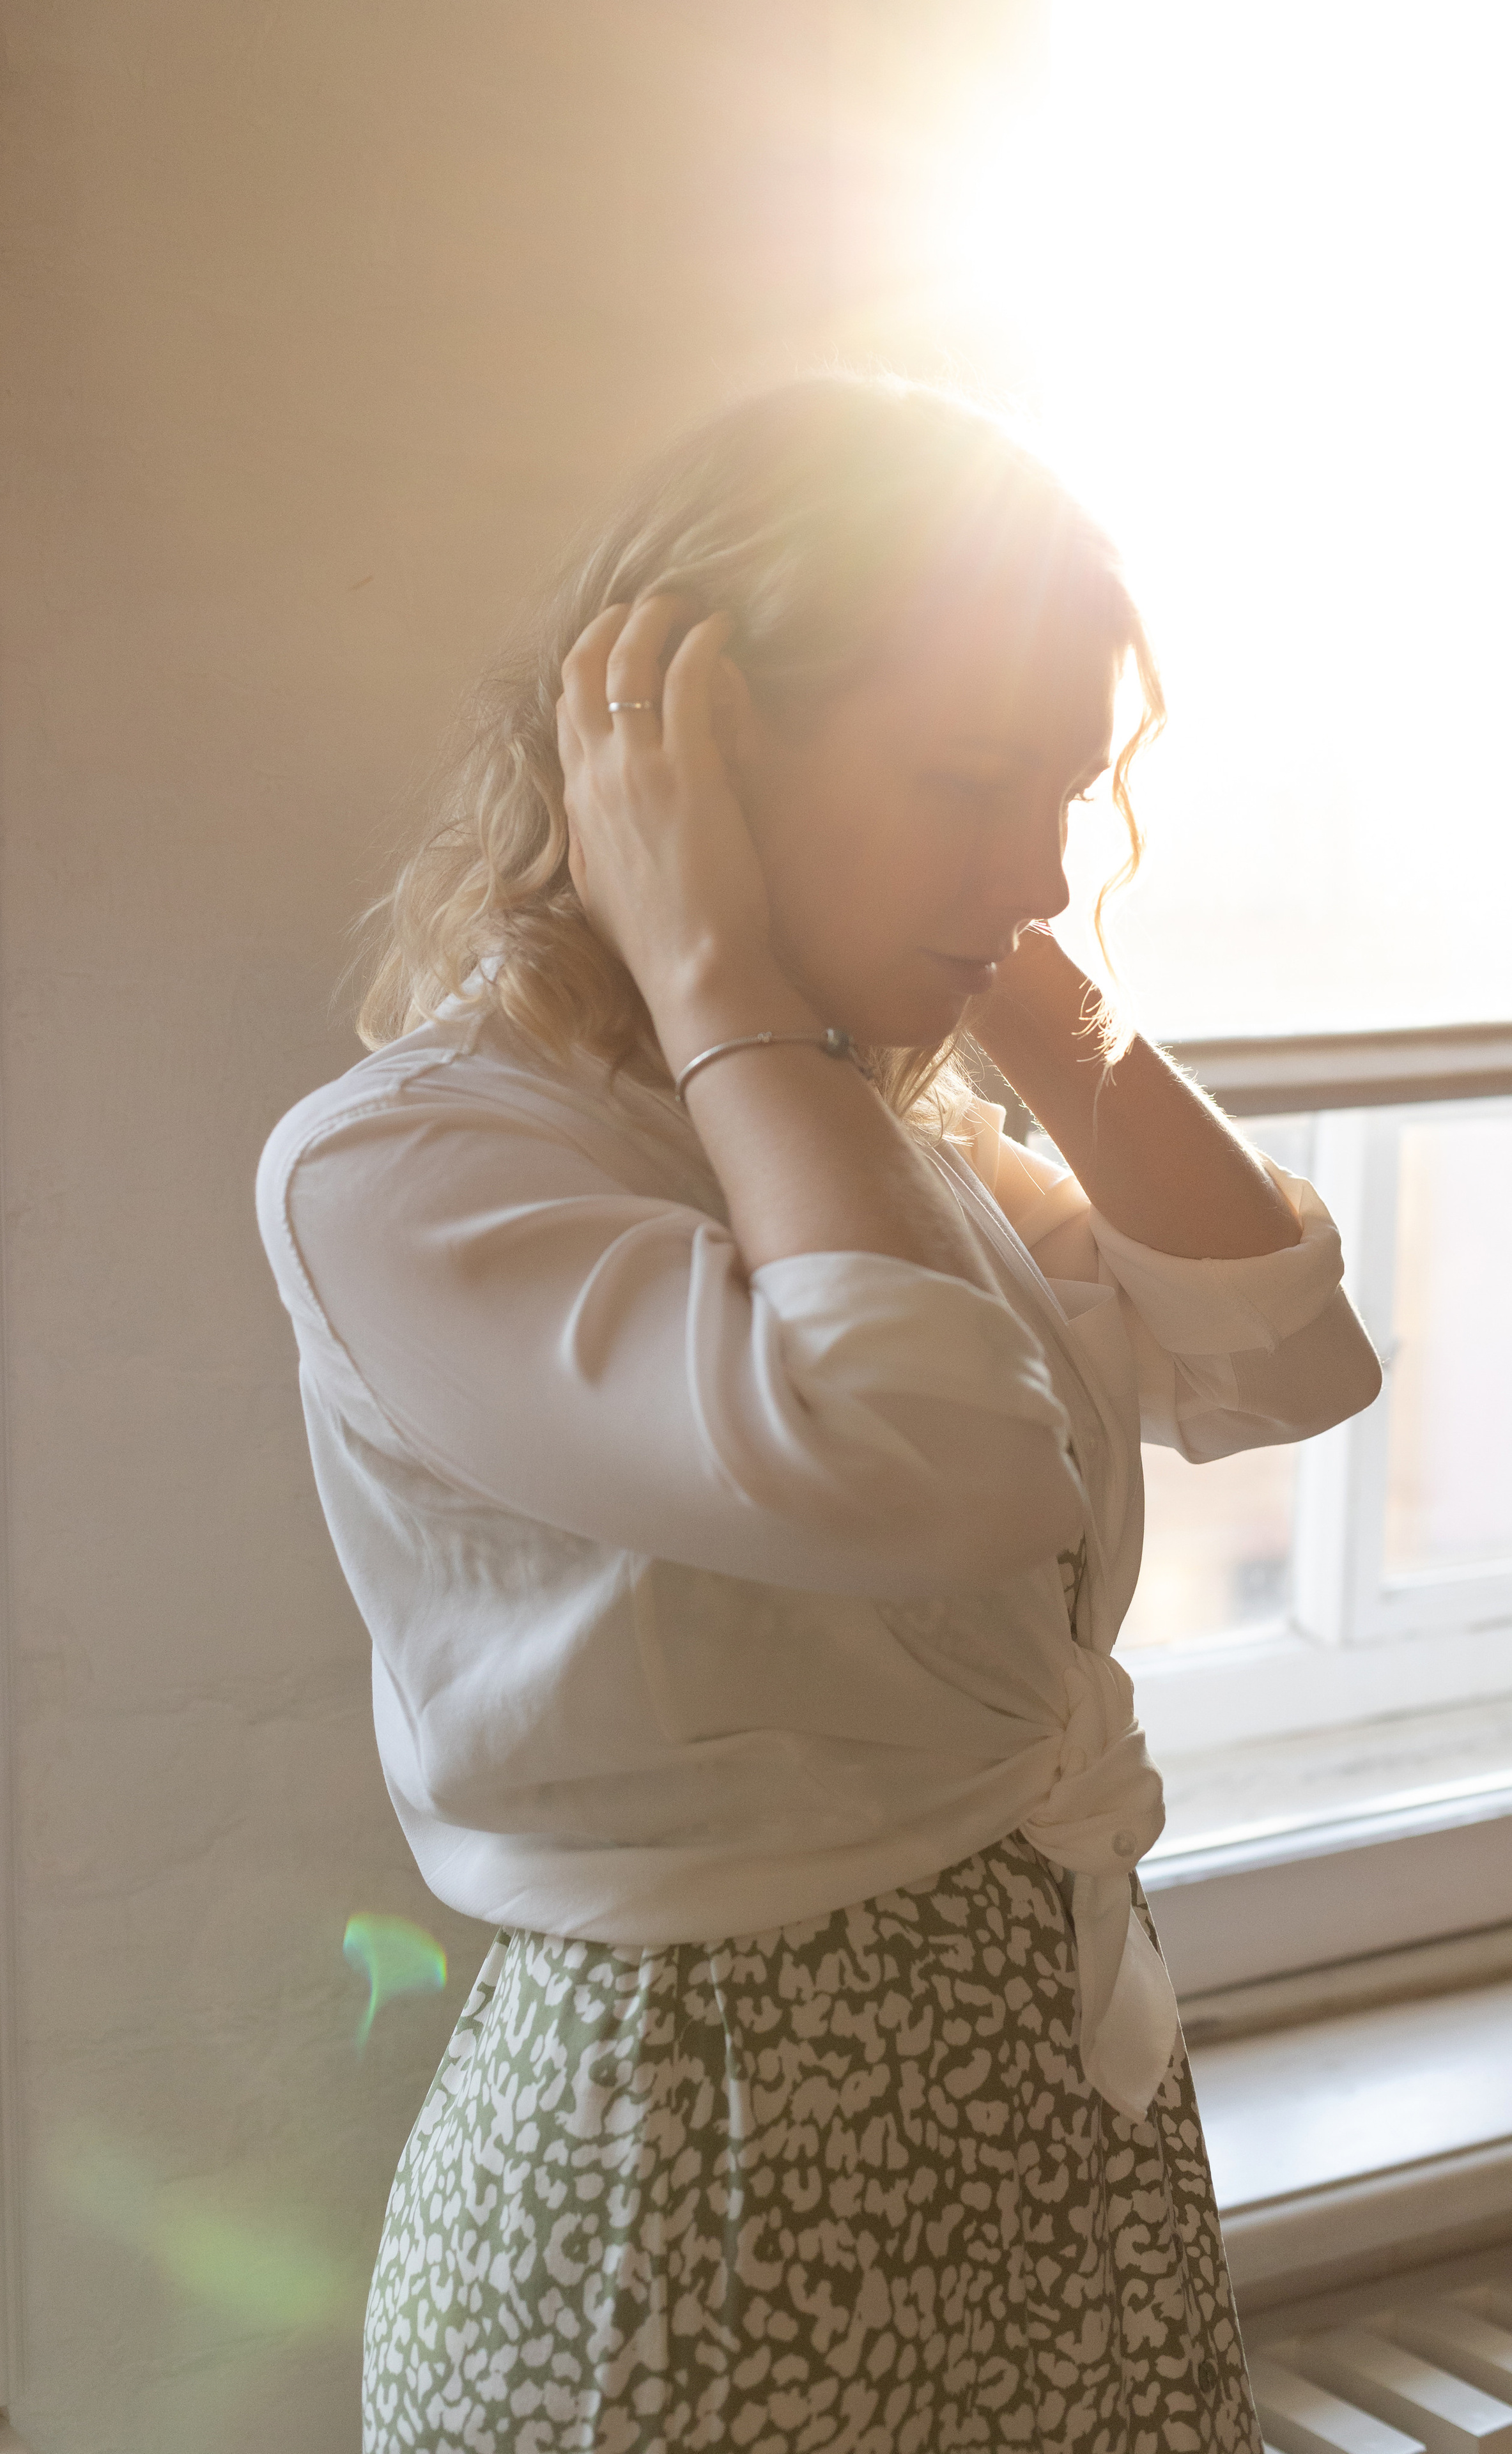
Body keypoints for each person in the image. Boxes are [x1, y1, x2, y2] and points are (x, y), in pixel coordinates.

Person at [256, 377, 1382, 2454]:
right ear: (693, 761)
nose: (1041, 861)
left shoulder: (873, 1140)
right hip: (705, 2210)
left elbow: (1286, 1358)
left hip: (1059, 2140)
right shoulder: (414, 1172)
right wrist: (710, 973)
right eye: (971, 779)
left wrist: (1024, 995)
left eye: (1064, 786)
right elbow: (930, 1470)